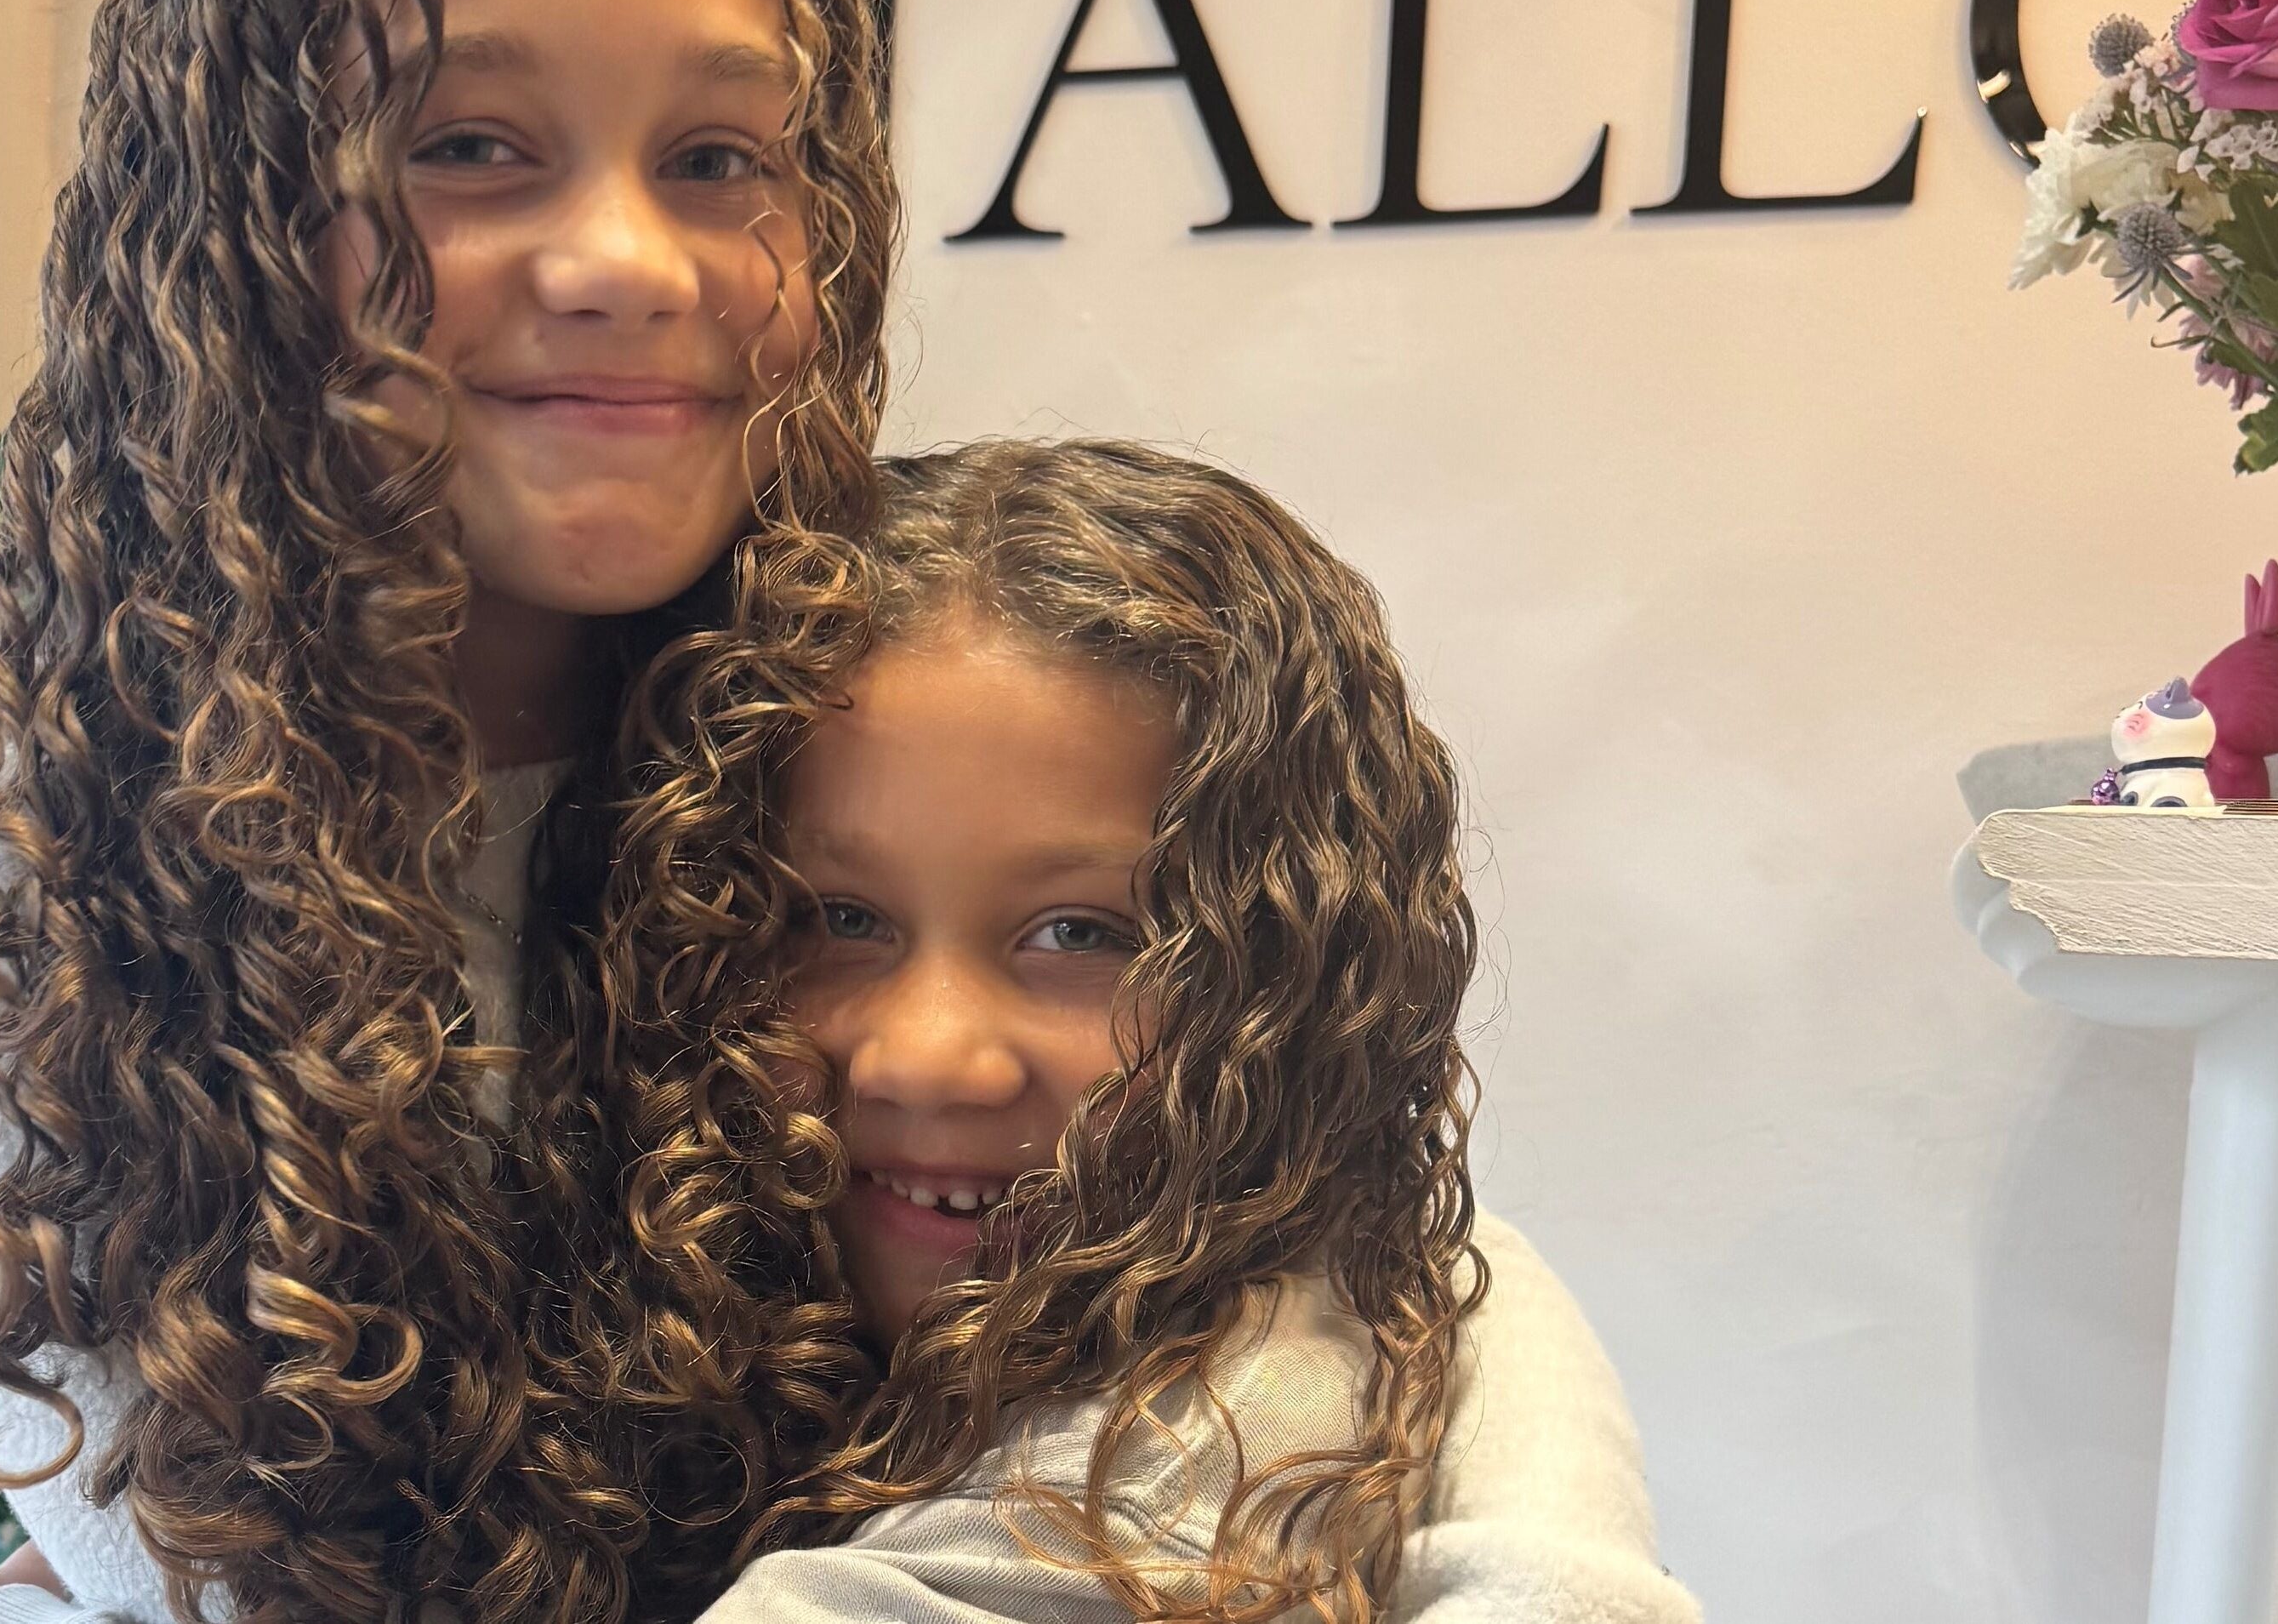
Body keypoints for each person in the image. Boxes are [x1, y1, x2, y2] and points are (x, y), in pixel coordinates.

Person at [0, 0, 895, 1624]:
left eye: (718, 159)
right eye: (468, 145)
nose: (622, 261)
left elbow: (1320, 1238)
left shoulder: (925, 769)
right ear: (231, 229)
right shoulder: (3, 913)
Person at [567, 440, 1700, 1621]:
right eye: (836, 917)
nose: (927, 1055)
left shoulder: (1207, 1462)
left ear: (1298, 975)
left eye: (1079, 935)